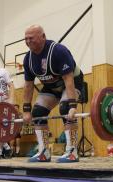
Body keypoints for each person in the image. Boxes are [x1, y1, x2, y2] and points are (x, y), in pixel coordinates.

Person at [22, 25, 84, 163]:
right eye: (25, 39)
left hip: (73, 82)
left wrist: (73, 105)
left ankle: (72, 152)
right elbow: (28, 85)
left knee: (66, 108)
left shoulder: (58, 51)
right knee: (37, 112)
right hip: (51, 87)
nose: (28, 41)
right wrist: (26, 110)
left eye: (31, 38)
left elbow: (68, 79)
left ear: (43, 36)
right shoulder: (28, 59)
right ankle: (43, 152)